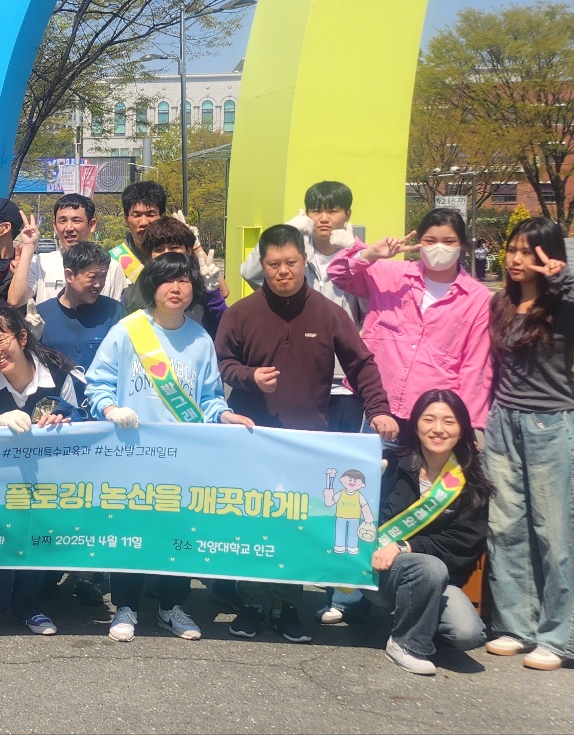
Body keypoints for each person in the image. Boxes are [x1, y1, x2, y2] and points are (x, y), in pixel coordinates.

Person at [215, 223, 397, 643]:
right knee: (255, 524)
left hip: (307, 442)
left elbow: (361, 364)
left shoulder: (328, 313)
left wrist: (379, 409)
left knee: (295, 527)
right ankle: (249, 605)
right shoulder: (240, 314)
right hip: (253, 440)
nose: (283, 271)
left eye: (291, 263)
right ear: (262, 266)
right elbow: (222, 363)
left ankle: (286, 607)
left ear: (304, 262)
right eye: (273, 264)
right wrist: (249, 377)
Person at [84, 252, 255, 642]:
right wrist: (110, 408)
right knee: (130, 529)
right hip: (131, 453)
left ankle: (172, 606)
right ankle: (125, 606)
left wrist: (224, 415)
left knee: (179, 531)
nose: (175, 288)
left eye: (184, 280)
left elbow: (209, 398)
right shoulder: (128, 331)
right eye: (166, 280)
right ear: (152, 286)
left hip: (182, 458)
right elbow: (98, 383)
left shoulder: (199, 339)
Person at [482, 217, 574, 671]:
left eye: (529, 252)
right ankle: (516, 626)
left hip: (552, 425)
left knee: (558, 532)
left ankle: (561, 638)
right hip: (504, 423)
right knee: (506, 528)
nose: (517, 259)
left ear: (549, 256)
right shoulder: (500, 303)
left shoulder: (564, 305)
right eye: (513, 249)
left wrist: (566, 280)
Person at [0, 304, 86, 641]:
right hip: (0, 481)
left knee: (36, 538)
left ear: (21, 337)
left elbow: (82, 420)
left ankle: (29, 606)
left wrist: (66, 420)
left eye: (1, 340)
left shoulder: (58, 374)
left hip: (47, 478)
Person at [328, 208, 493, 435]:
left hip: (433, 418)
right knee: (371, 459)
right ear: (419, 243)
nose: (439, 247)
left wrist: (467, 424)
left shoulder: (477, 298)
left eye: (448, 241)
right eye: (430, 240)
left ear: (462, 245)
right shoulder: (390, 274)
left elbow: (475, 366)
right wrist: (370, 254)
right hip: (378, 409)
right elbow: (338, 274)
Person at [368, 389, 492, 675]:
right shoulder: (390, 464)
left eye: (449, 422)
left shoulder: (471, 482)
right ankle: (406, 643)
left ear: (462, 430)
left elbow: (463, 544)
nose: (438, 429)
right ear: (415, 426)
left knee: (468, 634)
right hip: (379, 572)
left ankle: (413, 611)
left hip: (435, 575)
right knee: (428, 567)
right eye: (429, 420)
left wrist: (407, 545)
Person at [238, 182, 366, 431]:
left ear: (348, 214)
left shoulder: (358, 258)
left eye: (333, 211)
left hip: (343, 382)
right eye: (316, 211)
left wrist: (356, 252)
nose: (324, 218)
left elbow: (375, 306)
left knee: (338, 454)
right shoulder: (294, 255)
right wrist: (285, 230)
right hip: (296, 377)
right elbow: (249, 272)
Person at [122, 217, 227, 335]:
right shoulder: (131, 296)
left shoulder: (202, 289)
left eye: (174, 248)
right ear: (150, 254)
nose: (167, 254)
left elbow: (225, 324)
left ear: (188, 251)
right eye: (159, 249)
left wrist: (212, 294)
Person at [35, 242, 122, 370]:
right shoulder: (41, 315)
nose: (98, 284)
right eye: (92, 277)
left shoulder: (114, 311)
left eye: (103, 277)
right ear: (69, 275)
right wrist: (30, 340)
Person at [100, 181, 167, 303]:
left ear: (163, 217)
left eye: (150, 214)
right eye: (136, 215)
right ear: (126, 219)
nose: (144, 223)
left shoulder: (178, 254)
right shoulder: (111, 262)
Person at [25, 194, 99, 305]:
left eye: (76, 221)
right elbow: (16, 300)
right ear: (55, 226)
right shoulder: (40, 262)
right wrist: (28, 247)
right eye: (62, 221)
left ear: (91, 225)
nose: (68, 228)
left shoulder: (111, 267)